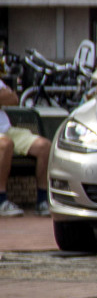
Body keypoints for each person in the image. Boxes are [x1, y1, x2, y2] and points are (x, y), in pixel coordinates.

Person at [0, 79, 51, 216]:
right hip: (4, 140)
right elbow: (5, 96)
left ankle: (42, 201)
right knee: (6, 144)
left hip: (8, 131)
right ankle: (1, 201)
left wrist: (6, 95)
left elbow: (13, 99)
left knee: (44, 146)